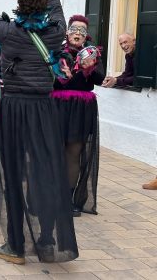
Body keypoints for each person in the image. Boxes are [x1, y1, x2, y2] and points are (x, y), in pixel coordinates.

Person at [0, 0, 78, 264]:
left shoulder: (8, 32)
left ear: (19, 5)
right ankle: (46, 240)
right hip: (44, 109)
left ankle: (16, 246)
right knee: (44, 171)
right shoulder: (55, 31)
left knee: (13, 172)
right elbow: (59, 9)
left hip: (15, 108)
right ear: (43, 6)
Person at [52, 14, 105, 217]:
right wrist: (64, 76)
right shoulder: (57, 52)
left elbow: (99, 79)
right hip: (58, 106)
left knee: (74, 152)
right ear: (67, 32)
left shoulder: (93, 54)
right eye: (74, 29)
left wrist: (90, 67)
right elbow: (51, 80)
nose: (78, 33)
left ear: (86, 36)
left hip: (82, 108)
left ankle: (69, 198)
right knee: (55, 150)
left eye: (82, 31)